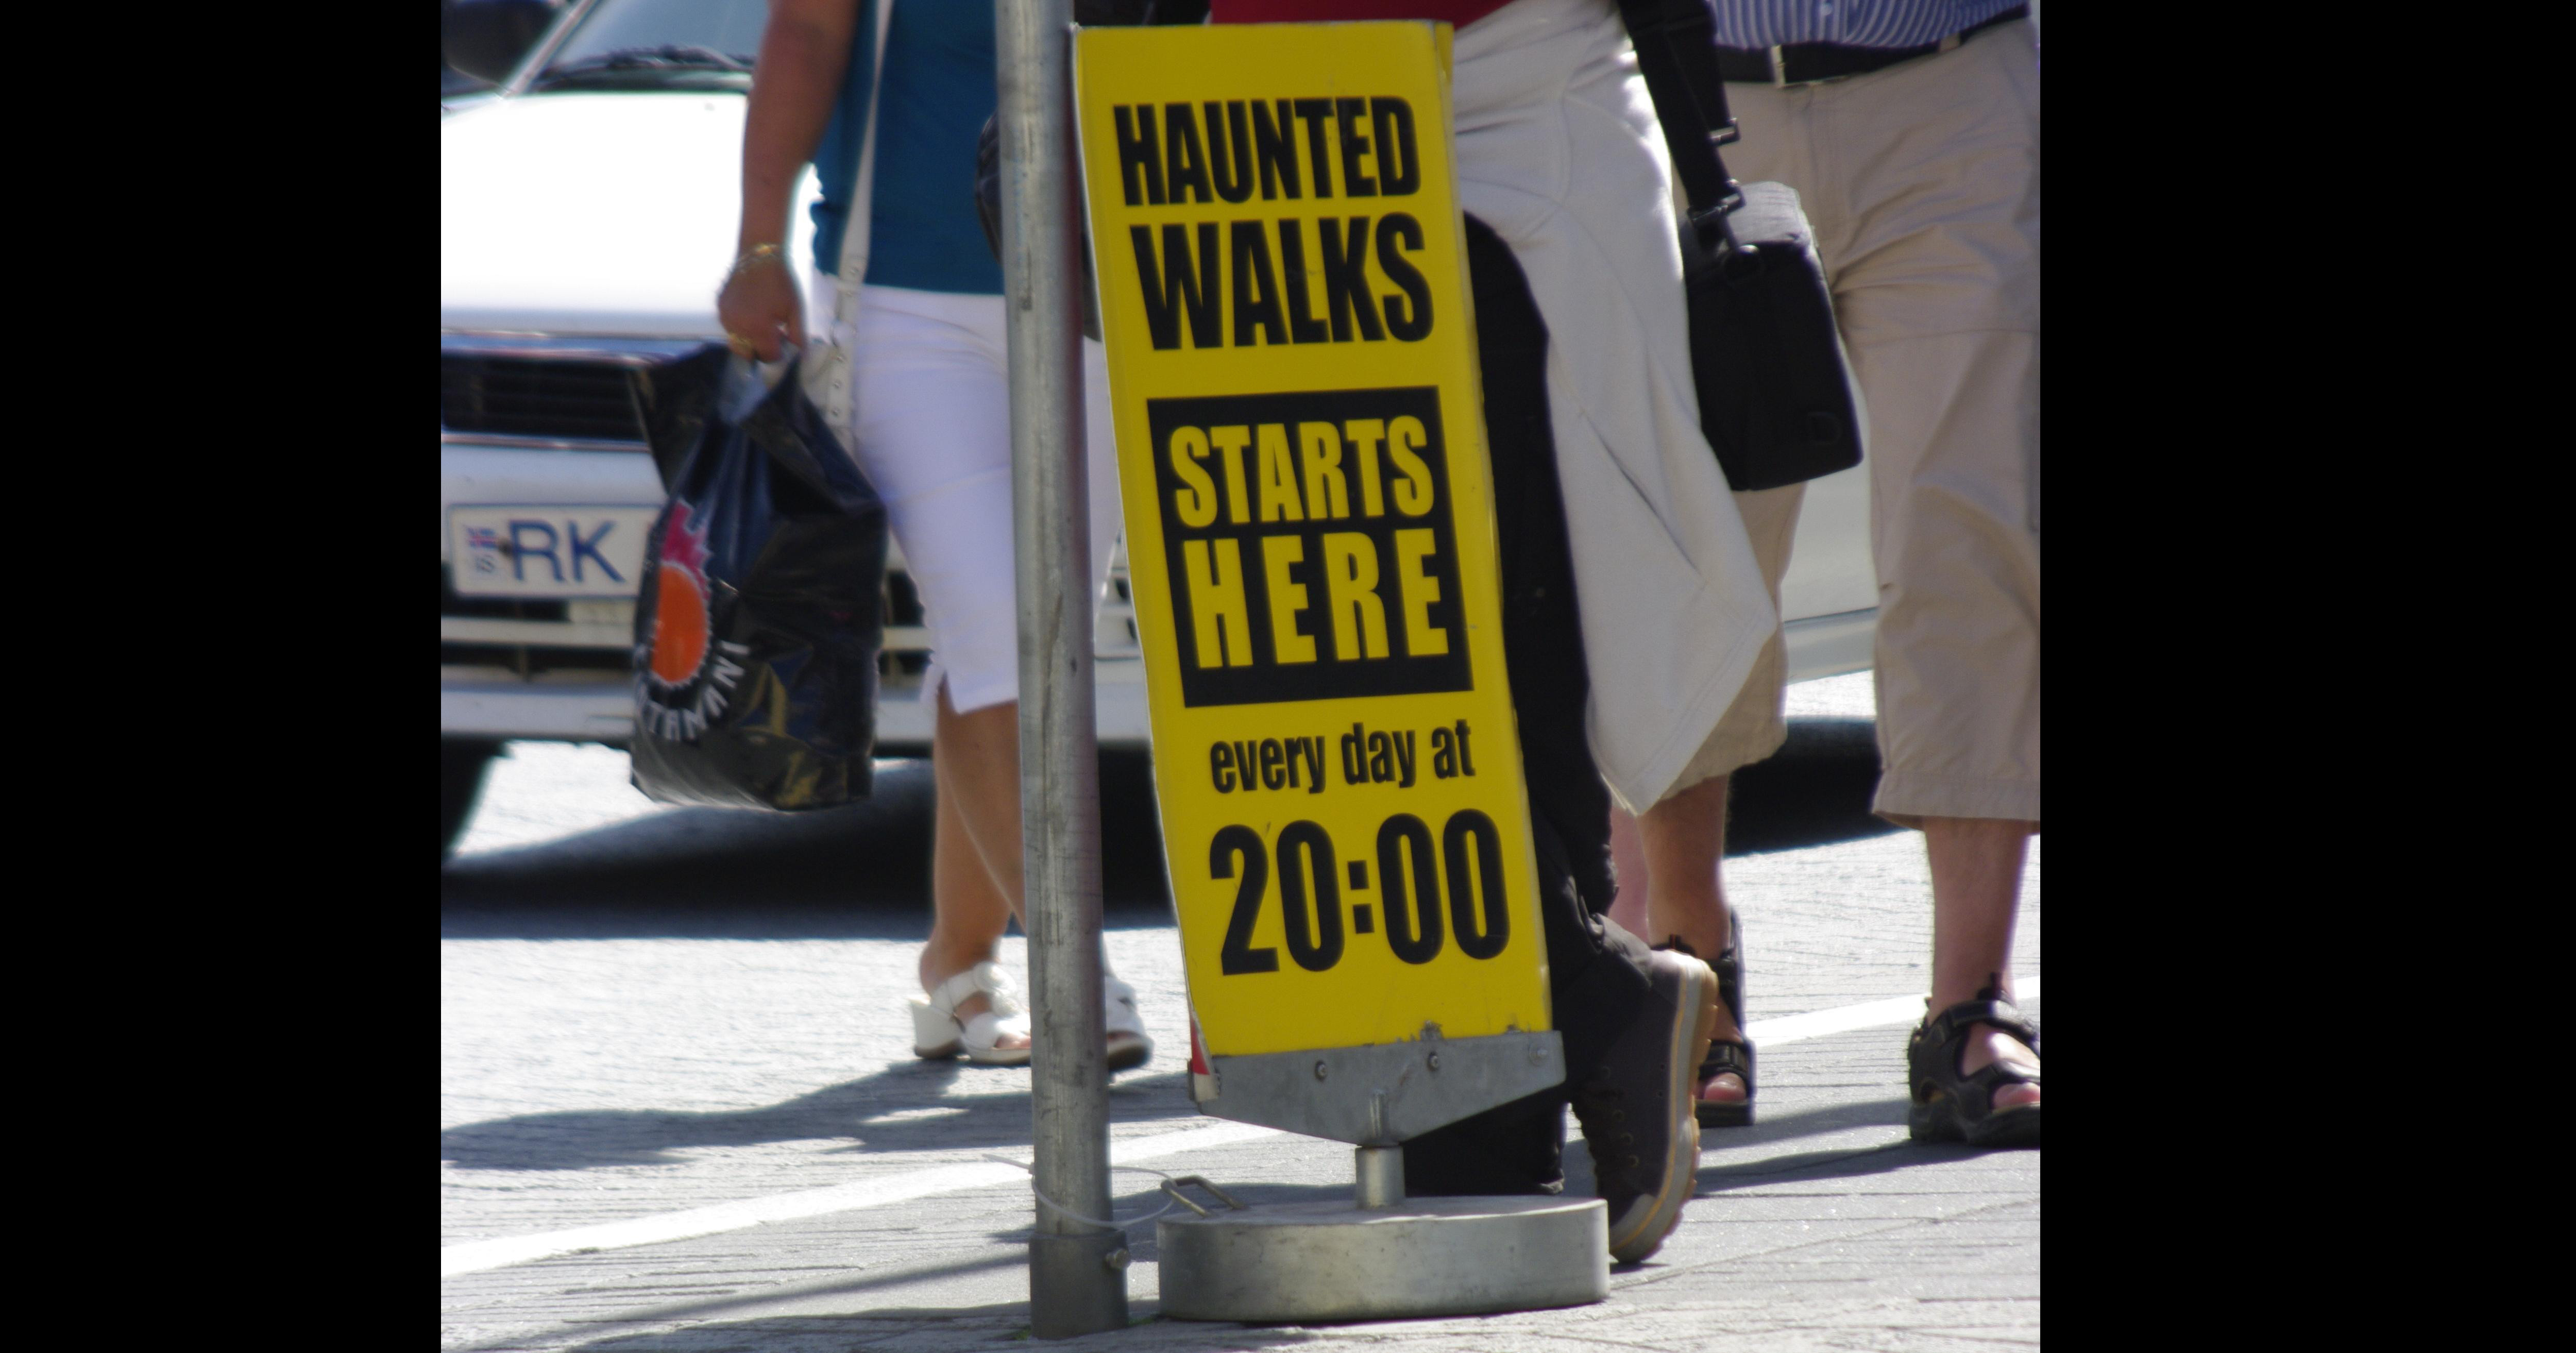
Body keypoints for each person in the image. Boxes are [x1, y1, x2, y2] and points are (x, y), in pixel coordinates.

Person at [1211, 0, 1784, 1262]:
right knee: (1356, 618)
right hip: (1253, 104)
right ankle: (1518, 1078)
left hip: (1495, 85)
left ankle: (1566, 1028)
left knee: (1479, 626)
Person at [1606, 0, 2042, 1147]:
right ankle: (1690, 957)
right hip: (1694, 92)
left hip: (1950, 84)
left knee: (1977, 536)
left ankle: (1971, 1004)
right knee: (1693, 544)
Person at [718, 0, 1151, 1072]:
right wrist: (758, 242)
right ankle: (1073, 967)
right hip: (907, 303)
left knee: (1015, 645)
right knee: (1006, 632)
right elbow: (807, 32)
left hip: (1110, 291)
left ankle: (957, 965)